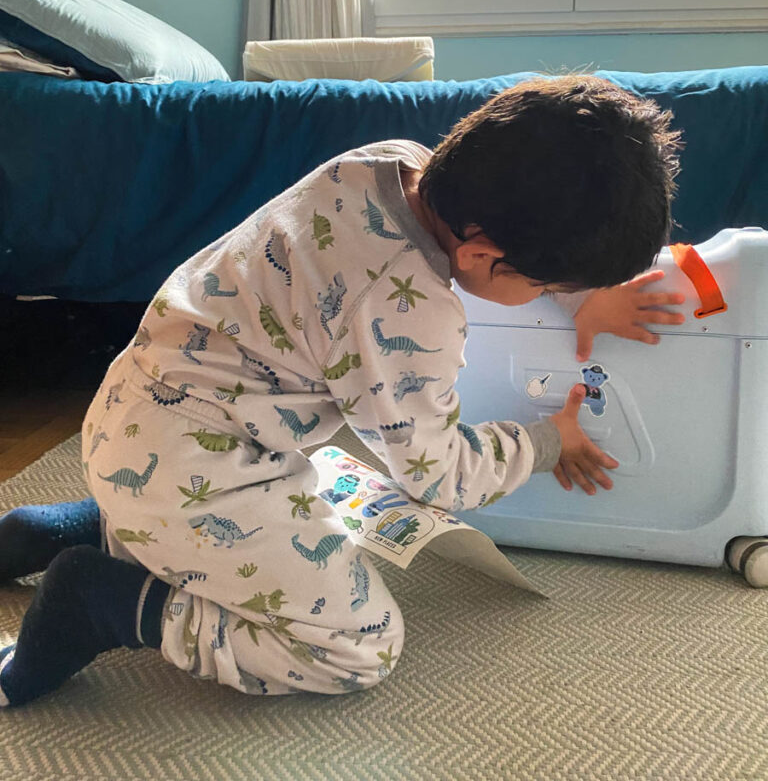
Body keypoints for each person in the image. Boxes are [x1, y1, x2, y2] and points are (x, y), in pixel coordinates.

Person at [0, 74, 685, 707]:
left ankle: (74, 525)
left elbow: (511, 233)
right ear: (479, 253)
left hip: (135, 408)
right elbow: (436, 474)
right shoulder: (409, 310)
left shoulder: (381, 161)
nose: (541, 299)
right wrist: (541, 442)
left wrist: (583, 298)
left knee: (271, 491)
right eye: (541, 287)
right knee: (358, 647)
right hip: (202, 466)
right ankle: (103, 601)